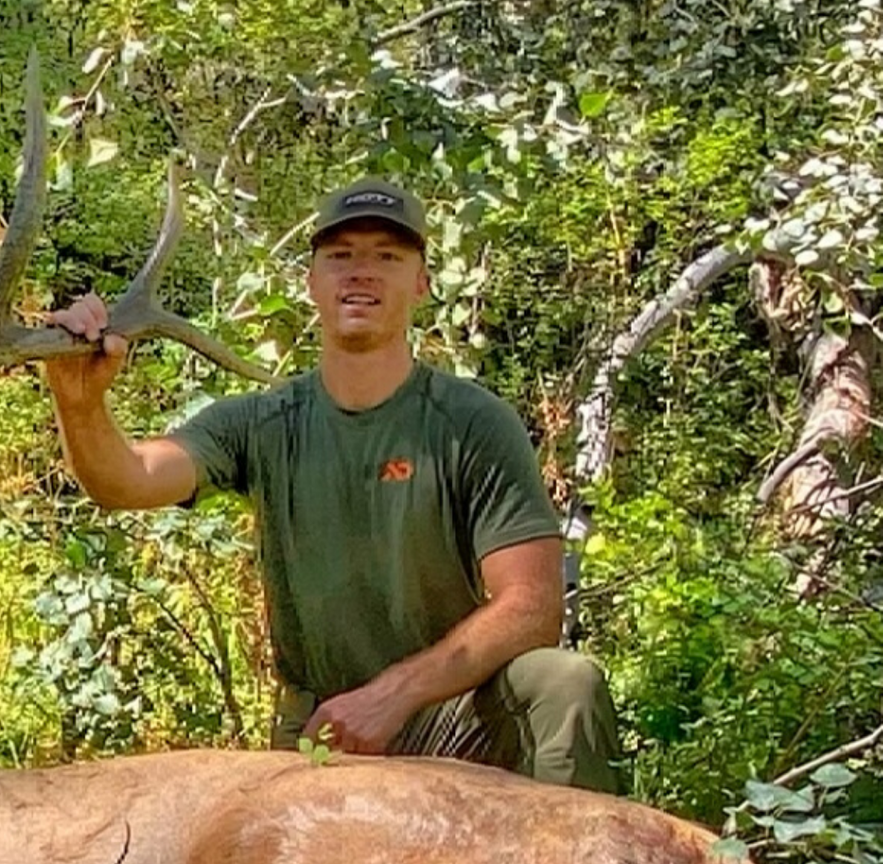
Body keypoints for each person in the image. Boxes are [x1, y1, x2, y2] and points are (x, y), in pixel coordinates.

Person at [43, 178, 621, 792]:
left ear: (421, 282)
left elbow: (531, 607)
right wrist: (79, 404)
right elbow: (126, 480)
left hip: (450, 715)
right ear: (312, 282)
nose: (361, 273)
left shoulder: (471, 423)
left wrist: (393, 696)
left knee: (565, 683)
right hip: (322, 729)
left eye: (387, 257)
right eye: (341, 256)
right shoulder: (264, 422)